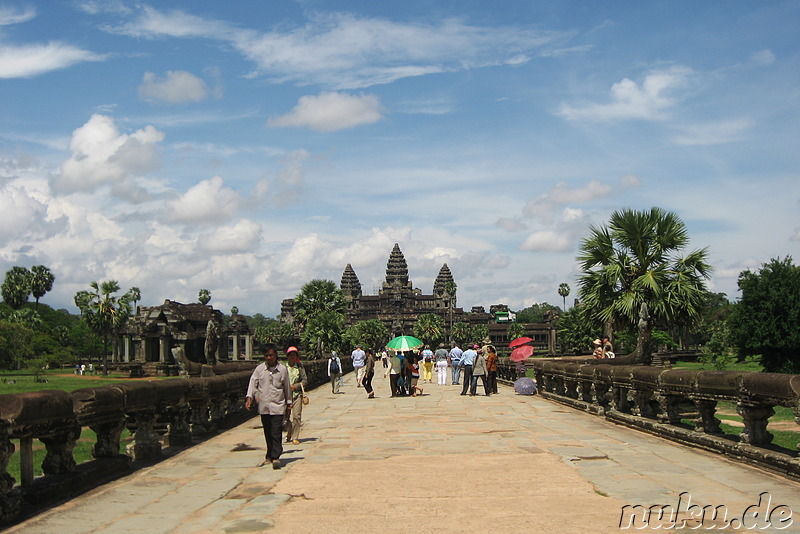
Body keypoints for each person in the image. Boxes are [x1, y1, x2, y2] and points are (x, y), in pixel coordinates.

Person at [245, 344, 292, 469]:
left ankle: (276, 456)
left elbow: (287, 386)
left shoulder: (282, 369)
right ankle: (269, 455)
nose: (269, 358)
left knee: (276, 431)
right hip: (264, 406)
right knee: (267, 431)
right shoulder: (260, 369)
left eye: (271, 355)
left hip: (278, 405)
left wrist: (289, 402)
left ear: (276, 354)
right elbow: (253, 382)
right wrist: (249, 397)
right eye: (266, 356)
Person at [285, 346, 308, 446]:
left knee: (296, 416)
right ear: (287, 356)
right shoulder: (283, 368)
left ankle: (295, 436)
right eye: (290, 355)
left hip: (296, 395)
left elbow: (305, 380)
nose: (292, 357)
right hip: (285, 396)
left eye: (294, 355)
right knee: (285, 417)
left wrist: (296, 386)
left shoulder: (299, 367)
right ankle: (289, 429)